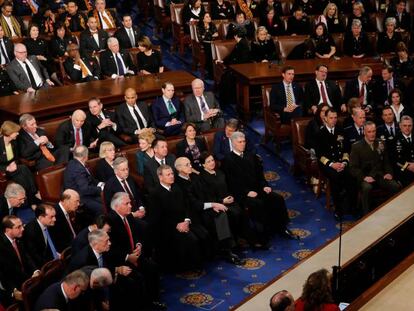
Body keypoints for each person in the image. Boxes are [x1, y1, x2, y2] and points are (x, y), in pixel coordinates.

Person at [222, 132, 296, 244]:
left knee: (277, 198)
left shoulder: (251, 156)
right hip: (242, 194)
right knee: (258, 204)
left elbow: (260, 175)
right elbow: (231, 183)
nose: (243, 144)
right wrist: (246, 192)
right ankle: (263, 235)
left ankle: (281, 228)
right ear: (233, 143)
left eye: (244, 141)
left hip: (258, 189)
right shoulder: (227, 160)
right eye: (240, 142)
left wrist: (265, 186)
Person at [174, 156, 241, 264]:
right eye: (187, 165)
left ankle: (230, 244)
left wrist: (214, 204)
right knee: (220, 215)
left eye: (190, 163)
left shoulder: (195, 177)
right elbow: (192, 203)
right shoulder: (179, 184)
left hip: (206, 206)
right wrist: (212, 204)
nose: (191, 166)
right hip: (194, 213)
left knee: (227, 211)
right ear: (179, 168)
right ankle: (227, 250)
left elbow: (207, 194)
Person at [107, 192, 165, 310]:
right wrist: (128, 257)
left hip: (135, 254)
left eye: (130, 203)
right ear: (117, 206)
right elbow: (110, 248)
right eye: (127, 203)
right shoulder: (111, 222)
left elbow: (136, 234)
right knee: (138, 278)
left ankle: (153, 300)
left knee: (153, 267)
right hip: (121, 261)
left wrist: (138, 245)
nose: (130, 206)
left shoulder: (128, 216)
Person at [147, 165, 208, 271]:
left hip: (184, 222)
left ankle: (202, 261)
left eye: (172, 174)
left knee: (204, 233)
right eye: (168, 174)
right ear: (160, 177)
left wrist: (186, 220)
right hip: (168, 227)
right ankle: (190, 267)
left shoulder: (177, 187)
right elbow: (157, 218)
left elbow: (186, 206)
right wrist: (176, 225)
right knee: (191, 239)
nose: (171, 176)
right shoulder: (154, 194)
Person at [350, 121, 401, 215]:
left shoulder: (381, 143)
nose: (372, 134)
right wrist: (364, 177)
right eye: (369, 132)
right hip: (365, 176)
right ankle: (367, 214)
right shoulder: (356, 147)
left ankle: (390, 211)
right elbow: (353, 168)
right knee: (367, 188)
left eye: (374, 131)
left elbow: (386, 162)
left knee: (395, 186)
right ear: (364, 132)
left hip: (380, 175)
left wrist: (389, 173)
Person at [316, 108, 356, 218]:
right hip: (327, 164)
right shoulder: (320, 133)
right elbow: (320, 155)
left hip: (341, 162)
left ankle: (351, 206)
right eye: (331, 118)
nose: (333, 120)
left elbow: (347, 149)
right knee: (335, 177)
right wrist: (332, 165)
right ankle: (338, 210)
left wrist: (344, 162)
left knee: (351, 176)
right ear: (325, 118)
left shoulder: (341, 130)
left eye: (335, 118)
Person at [0, 215, 38, 307]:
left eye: (22, 225)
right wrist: (13, 291)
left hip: (26, 280)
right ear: (8, 230)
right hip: (12, 287)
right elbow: (3, 273)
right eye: (18, 227)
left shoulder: (19, 238)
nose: (23, 229)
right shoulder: (1, 246)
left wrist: (36, 270)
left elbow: (27, 257)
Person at [0, 121, 38, 205]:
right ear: (9, 133)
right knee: (21, 178)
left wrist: (14, 162)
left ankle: (34, 194)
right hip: (3, 171)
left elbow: (16, 157)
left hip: (13, 166)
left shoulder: (13, 142)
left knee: (24, 168)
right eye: (15, 132)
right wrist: (7, 168)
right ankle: (31, 201)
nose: (17, 134)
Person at [63, 145, 104, 217]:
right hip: (80, 198)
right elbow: (85, 189)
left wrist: (99, 184)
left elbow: (90, 179)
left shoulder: (73, 163)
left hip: (83, 194)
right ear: (86, 156)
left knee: (107, 200)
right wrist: (100, 189)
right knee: (102, 208)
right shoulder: (78, 169)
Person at [23, 204, 59, 269]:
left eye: (54, 216)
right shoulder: (31, 232)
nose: (55, 219)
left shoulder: (49, 224)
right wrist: (50, 265)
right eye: (51, 217)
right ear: (41, 218)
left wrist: (56, 253)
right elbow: (35, 255)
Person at [390, 115, 414, 186]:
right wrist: (409, 166)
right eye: (405, 125)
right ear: (400, 126)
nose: (407, 128)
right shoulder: (395, 140)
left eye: (409, 125)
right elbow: (396, 160)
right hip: (403, 168)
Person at [197, 12, 219, 78]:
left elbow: (216, 35)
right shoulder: (199, 26)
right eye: (207, 17)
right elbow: (200, 38)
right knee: (209, 53)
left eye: (209, 16)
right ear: (203, 19)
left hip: (213, 43)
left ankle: (215, 72)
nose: (209, 18)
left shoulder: (212, 25)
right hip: (205, 44)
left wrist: (207, 35)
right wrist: (208, 32)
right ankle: (211, 73)